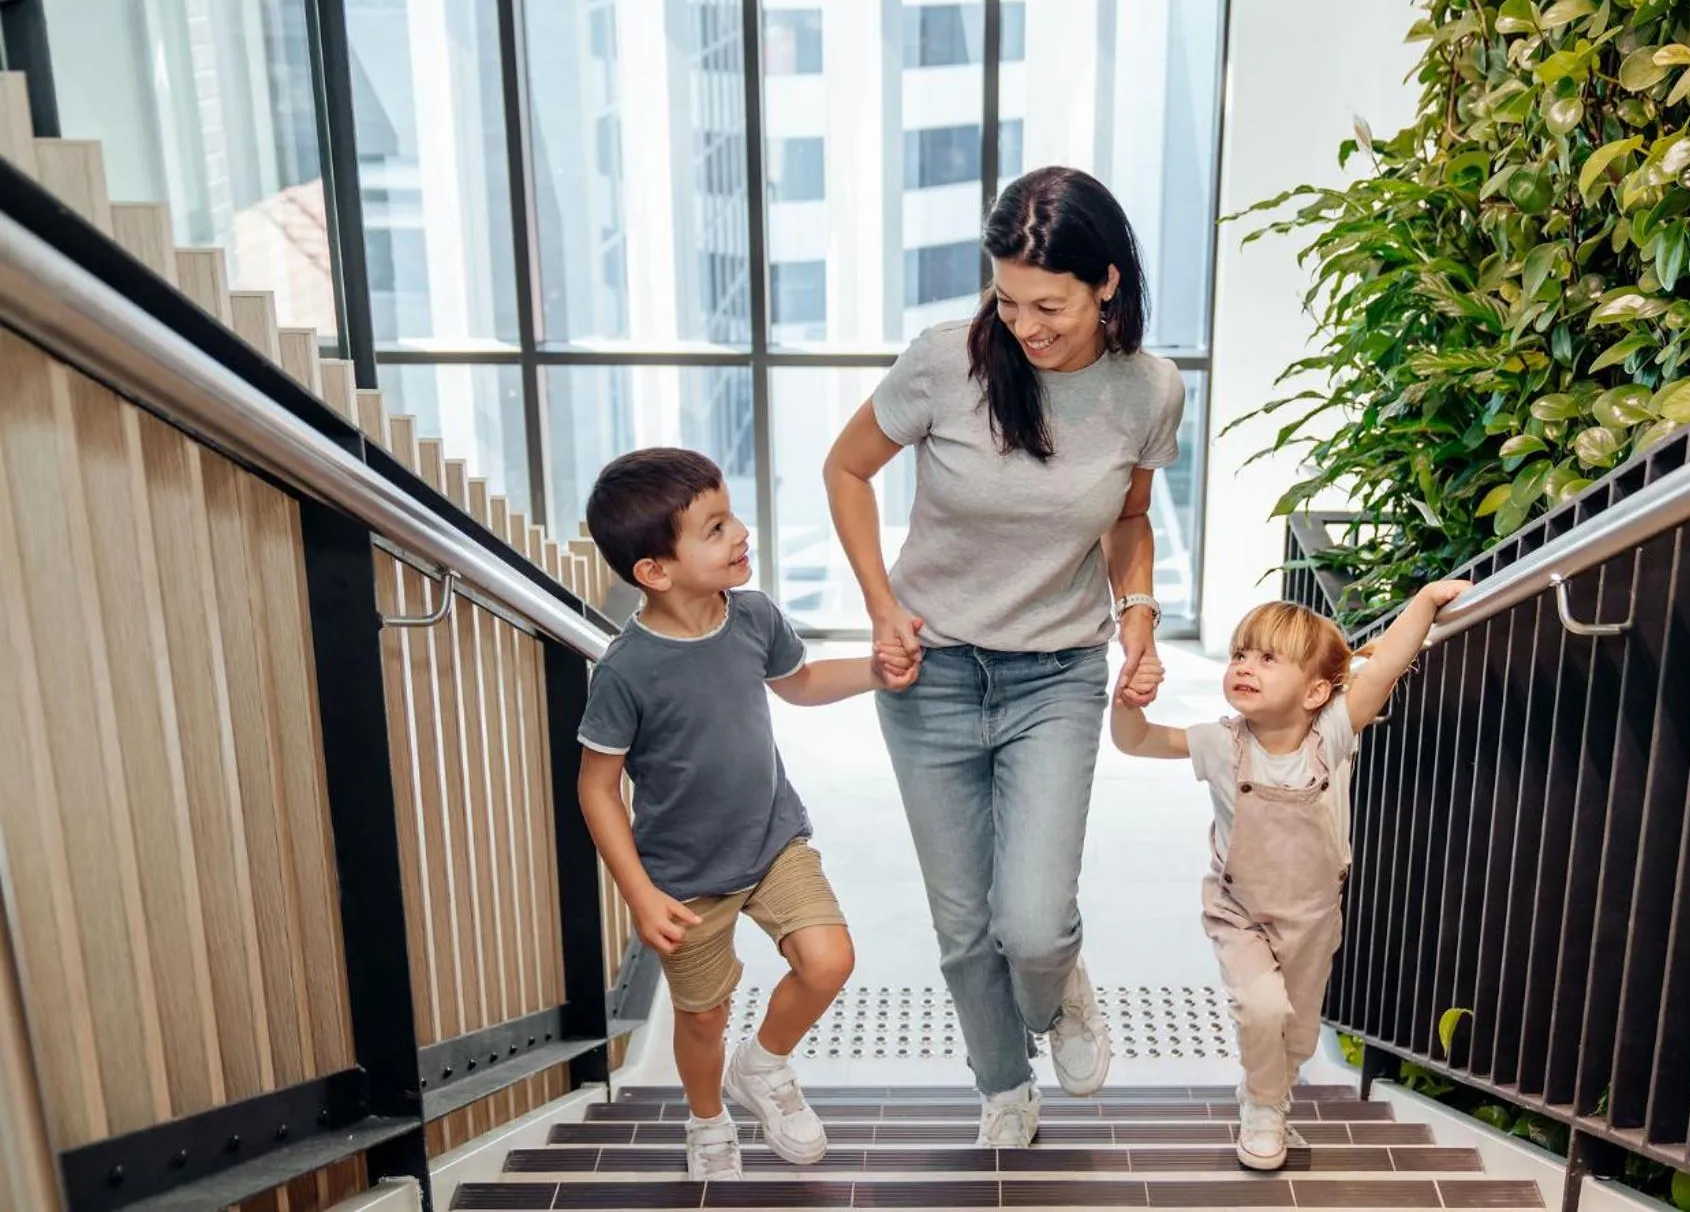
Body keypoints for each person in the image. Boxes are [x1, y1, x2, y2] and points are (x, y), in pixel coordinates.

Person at [822, 166, 1186, 1145]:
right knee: (962, 925)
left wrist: (1139, 614)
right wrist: (880, 606)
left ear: (1106, 283)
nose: (1023, 325)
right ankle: (1000, 1087)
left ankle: (1058, 986)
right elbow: (846, 468)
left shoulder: (1148, 390)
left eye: (1049, 305)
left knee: (1029, 923)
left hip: (1055, 676)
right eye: (1005, 299)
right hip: (927, 674)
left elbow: (1131, 519)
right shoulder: (945, 364)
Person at [575, 448, 916, 1181]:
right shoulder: (626, 670)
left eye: (731, 516)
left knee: (830, 959)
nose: (741, 534)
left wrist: (877, 670)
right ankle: (705, 1119)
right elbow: (597, 788)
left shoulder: (754, 615)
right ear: (655, 571)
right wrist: (639, 892)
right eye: (716, 527)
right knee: (703, 1014)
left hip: (772, 841)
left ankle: (761, 1066)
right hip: (686, 877)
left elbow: (799, 683)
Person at [1108, 582, 1470, 1170]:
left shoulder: (1332, 735)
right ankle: (1261, 1105)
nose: (1245, 667)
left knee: (1298, 1035)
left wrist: (1426, 601)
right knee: (1262, 1009)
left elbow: (1385, 670)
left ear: (1317, 692)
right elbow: (1139, 742)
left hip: (1312, 914)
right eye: (1240, 655)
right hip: (1240, 911)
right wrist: (1127, 702)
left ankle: (1272, 1091)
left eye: (1268, 659)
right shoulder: (1221, 744)